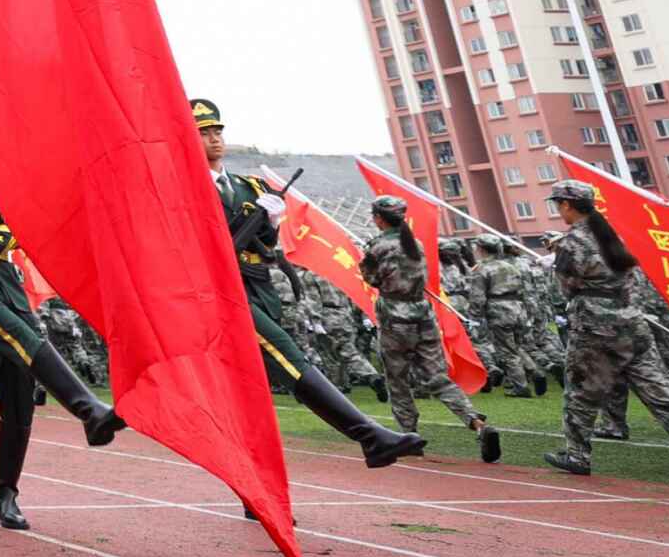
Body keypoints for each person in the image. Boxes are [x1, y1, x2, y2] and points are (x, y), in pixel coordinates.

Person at [0, 99, 122, 530]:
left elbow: (16, 230)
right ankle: (88, 410)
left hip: (7, 285)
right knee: (26, 341)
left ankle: (6, 493)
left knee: (18, 396)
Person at [194, 98, 422, 468]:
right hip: (219, 292)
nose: (214, 139)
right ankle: (368, 435)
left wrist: (270, 222)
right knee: (289, 356)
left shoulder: (248, 186)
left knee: (247, 394)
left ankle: (257, 490)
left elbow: (266, 248)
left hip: (258, 288)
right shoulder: (182, 189)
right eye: (203, 133)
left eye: (217, 131)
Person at [536, 178, 669, 487]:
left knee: (581, 392)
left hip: (594, 327)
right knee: (660, 391)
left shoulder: (572, 242)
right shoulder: (616, 235)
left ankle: (577, 455)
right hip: (632, 323)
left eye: (559, 205)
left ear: (567, 205)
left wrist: (555, 264)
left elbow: (566, 290)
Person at [357, 196, 499, 463]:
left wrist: (365, 261)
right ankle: (476, 423)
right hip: (422, 315)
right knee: (437, 378)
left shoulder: (378, 246)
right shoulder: (416, 243)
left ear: (379, 218)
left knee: (398, 381)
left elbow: (374, 280)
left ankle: (409, 436)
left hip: (394, 319)